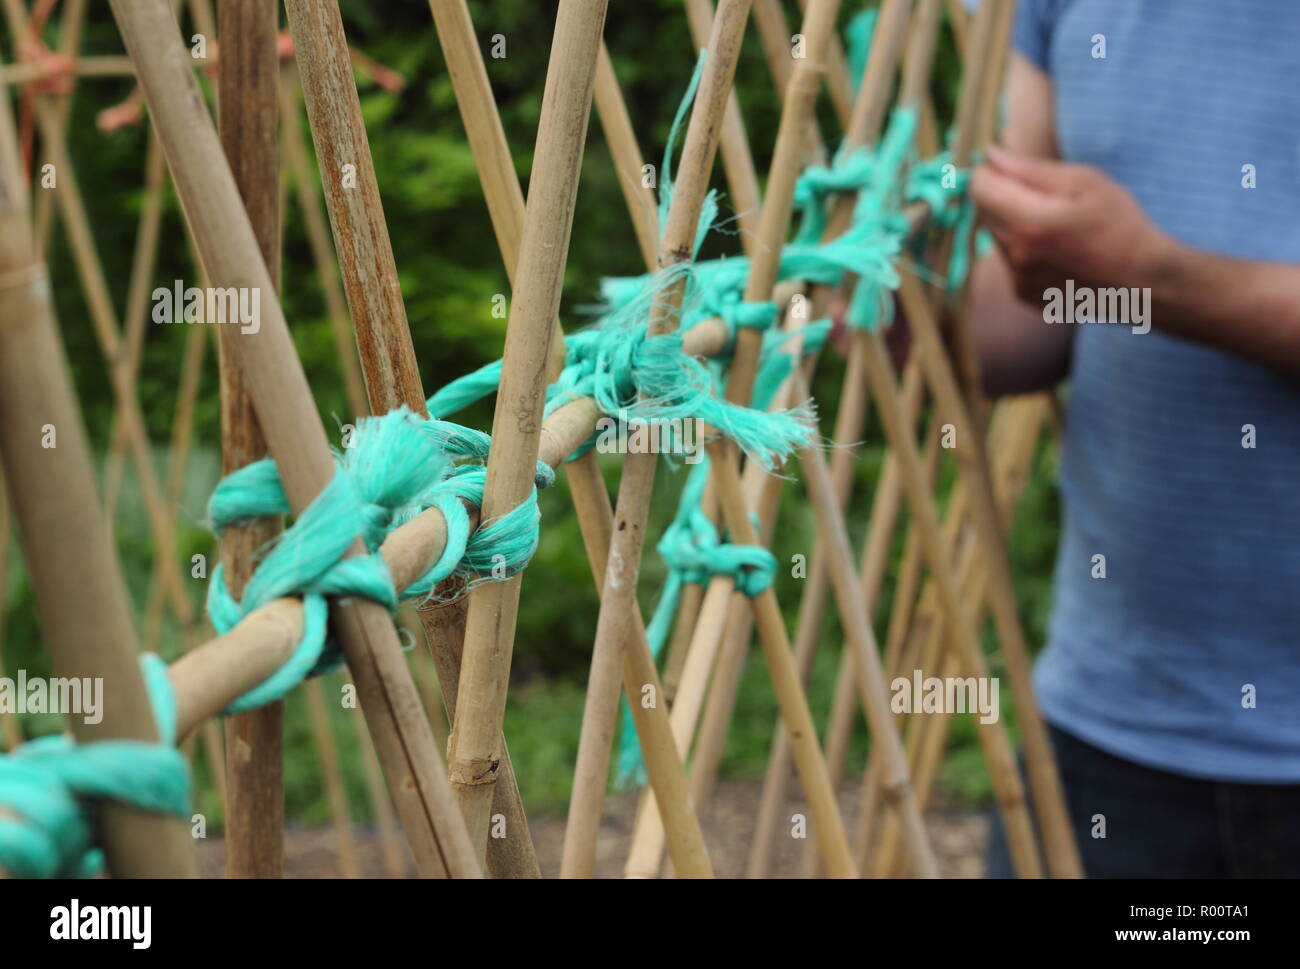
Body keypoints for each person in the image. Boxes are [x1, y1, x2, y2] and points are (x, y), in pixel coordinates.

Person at [928, 0, 1300, 876]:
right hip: (1110, 728)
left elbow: (1121, 275)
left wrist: (1151, 275)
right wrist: (902, 302)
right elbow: (1046, 312)